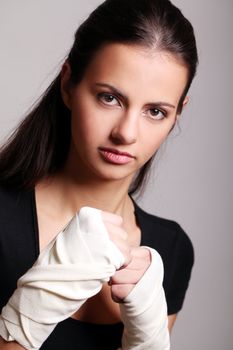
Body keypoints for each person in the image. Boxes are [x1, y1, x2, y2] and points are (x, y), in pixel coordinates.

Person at [0, 0, 198, 349]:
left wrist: (147, 342)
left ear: (177, 114)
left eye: (155, 111)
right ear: (68, 85)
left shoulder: (171, 248)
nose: (126, 133)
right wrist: (31, 312)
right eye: (109, 98)